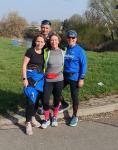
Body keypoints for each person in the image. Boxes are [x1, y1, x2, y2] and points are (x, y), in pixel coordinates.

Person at [32, 20, 69, 114]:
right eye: (43, 27)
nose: (44, 29)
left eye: (46, 28)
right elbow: (33, 50)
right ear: (41, 27)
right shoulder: (37, 38)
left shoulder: (52, 38)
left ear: (50, 29)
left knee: (53, 86)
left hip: (51, 64)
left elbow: (60, 47)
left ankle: (62, 103)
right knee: (41, 85)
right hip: (39, 63)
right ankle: (41, 105)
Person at [22, 34, 45, 135]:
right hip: (30, 79)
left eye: (42, 42)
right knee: (30, 101)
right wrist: (24, 78)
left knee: (36, 101)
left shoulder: (44, 52)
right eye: (38, 41)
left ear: (44, 43)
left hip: (40, 80)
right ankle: (27, 123)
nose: (39, 43)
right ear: (35, 42)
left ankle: (32, 118)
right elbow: (24, 65)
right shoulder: (30, 51)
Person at [63, 30, 87, 127]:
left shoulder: (80, 50)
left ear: (76, 39)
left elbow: (84, 65)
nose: (71, 39)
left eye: (73, 38)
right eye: (69, 37)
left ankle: (74, 116)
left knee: (74, 96)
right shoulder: (65, 49)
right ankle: (64, 104)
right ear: (67, 38)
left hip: (75, 77)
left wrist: (81, 78)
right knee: (55, 89)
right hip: (64, 75)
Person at [41, 32, 64, 128]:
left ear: (58, 41)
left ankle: (54, 117)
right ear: (49, 41)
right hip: (48, 80)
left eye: (55, 40)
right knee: (45, 100)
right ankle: (46, 119)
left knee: (57, 100)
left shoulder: (63, 51)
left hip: (59, 80)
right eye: (52, 40)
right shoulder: (46, 51)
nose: (54, 41)